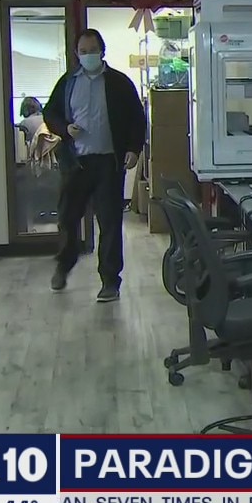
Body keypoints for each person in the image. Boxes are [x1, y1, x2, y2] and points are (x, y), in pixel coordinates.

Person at [42, 28, 146, 302]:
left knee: (109, 222)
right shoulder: (68, 83)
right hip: (76, 163)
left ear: (102, 52)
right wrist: (65, 129)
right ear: (77, 53)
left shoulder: (119, 83)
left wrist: (134, 149)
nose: (88, 55)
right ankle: (64, 265)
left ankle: (110, 281)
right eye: (83, 51)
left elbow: (137, 118)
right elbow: (50, 113)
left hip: (108, 163)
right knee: (68, 217)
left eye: (92, 50)